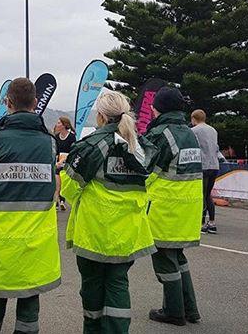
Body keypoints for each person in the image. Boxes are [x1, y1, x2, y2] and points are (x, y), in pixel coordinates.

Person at [61, 91, 156, 333]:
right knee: (118, 286)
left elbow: (70, 189)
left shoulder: (91, 146)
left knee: (92, 290)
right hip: (128, 234)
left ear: (101, 116)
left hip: (94, 234)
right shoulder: (141, 147)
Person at [0, 77, 61, 334]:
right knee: (29, 300)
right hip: (36, 239)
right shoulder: (49, 141)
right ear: (35, 103)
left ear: (7, 102)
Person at [143, 87, 203, 326]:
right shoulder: (189, 133)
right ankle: (191, 309)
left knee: (165, 260)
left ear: (158, 108)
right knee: (178, 256)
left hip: (165, 206)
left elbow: (146, 169)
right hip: (188, 206)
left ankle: (174, 312)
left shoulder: (161, 134)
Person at [190, 109, 220, 234]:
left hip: (202, 165)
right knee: (208, 194)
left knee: (201, 194)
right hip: (214, 165)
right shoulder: (213, 130)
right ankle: (212, 222)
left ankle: (201, 222)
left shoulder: (194, 131)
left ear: (193, 119)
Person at [54, 116, 76, 211]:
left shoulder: (71, 136)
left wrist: (63, 160)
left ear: (64, 125)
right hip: (58, 162)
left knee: (63, 182)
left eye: (59, 123)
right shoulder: (56, 137)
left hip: (67, 163)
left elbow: (73, 151)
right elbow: (56, 151)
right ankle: (57, 202)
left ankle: (62, 200)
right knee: (57, 182)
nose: (57, 124)